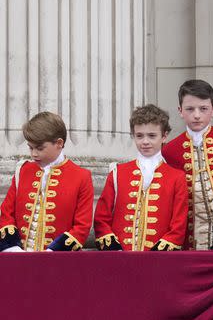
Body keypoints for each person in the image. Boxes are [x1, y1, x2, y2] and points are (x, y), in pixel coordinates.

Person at [163, 79, 213, 250]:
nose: (197, 115)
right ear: (180, 111)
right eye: (190, 109)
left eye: (203, 109)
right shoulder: (169, 150)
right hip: (190, 239)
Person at [94, 105, 188, 251]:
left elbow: (179, 225)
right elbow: (102, 217)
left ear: (164, 136)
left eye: (152, 136)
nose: (145, 141)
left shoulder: (177, 177)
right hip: (120, 258)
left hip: (158, 261)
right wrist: (114, 250)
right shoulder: (118, 173)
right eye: (139, 135)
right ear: (133, 135)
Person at [0, 111, 93, 252]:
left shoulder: (81, 177)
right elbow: (6, 213)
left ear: (59, 143)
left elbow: (82, 226)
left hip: (58, 264)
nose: (33, 154)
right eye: (30, 147)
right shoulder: (23, 171)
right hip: (17, 258)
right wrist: (12, 248)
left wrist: (52, 253)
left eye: (39, 148)